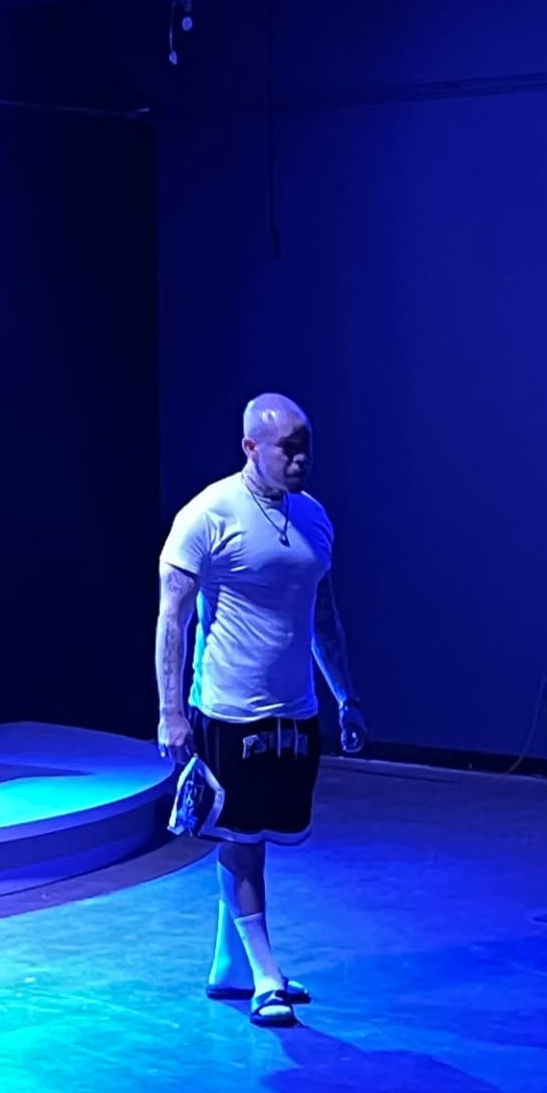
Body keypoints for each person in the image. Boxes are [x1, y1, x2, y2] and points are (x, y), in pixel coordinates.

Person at [157, 393, 364, 1025]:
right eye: (287, 448)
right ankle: (266, 977)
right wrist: (171, 711)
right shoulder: (208, 514)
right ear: (251, 447)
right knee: (240, 839)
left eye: (306, 446)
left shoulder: (314, 519)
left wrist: (345, 696)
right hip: (228, 709)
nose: (300, 459)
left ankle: (228, 966)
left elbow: (323, 617)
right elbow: (173, 619)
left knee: (257, 835)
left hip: (294, 709)